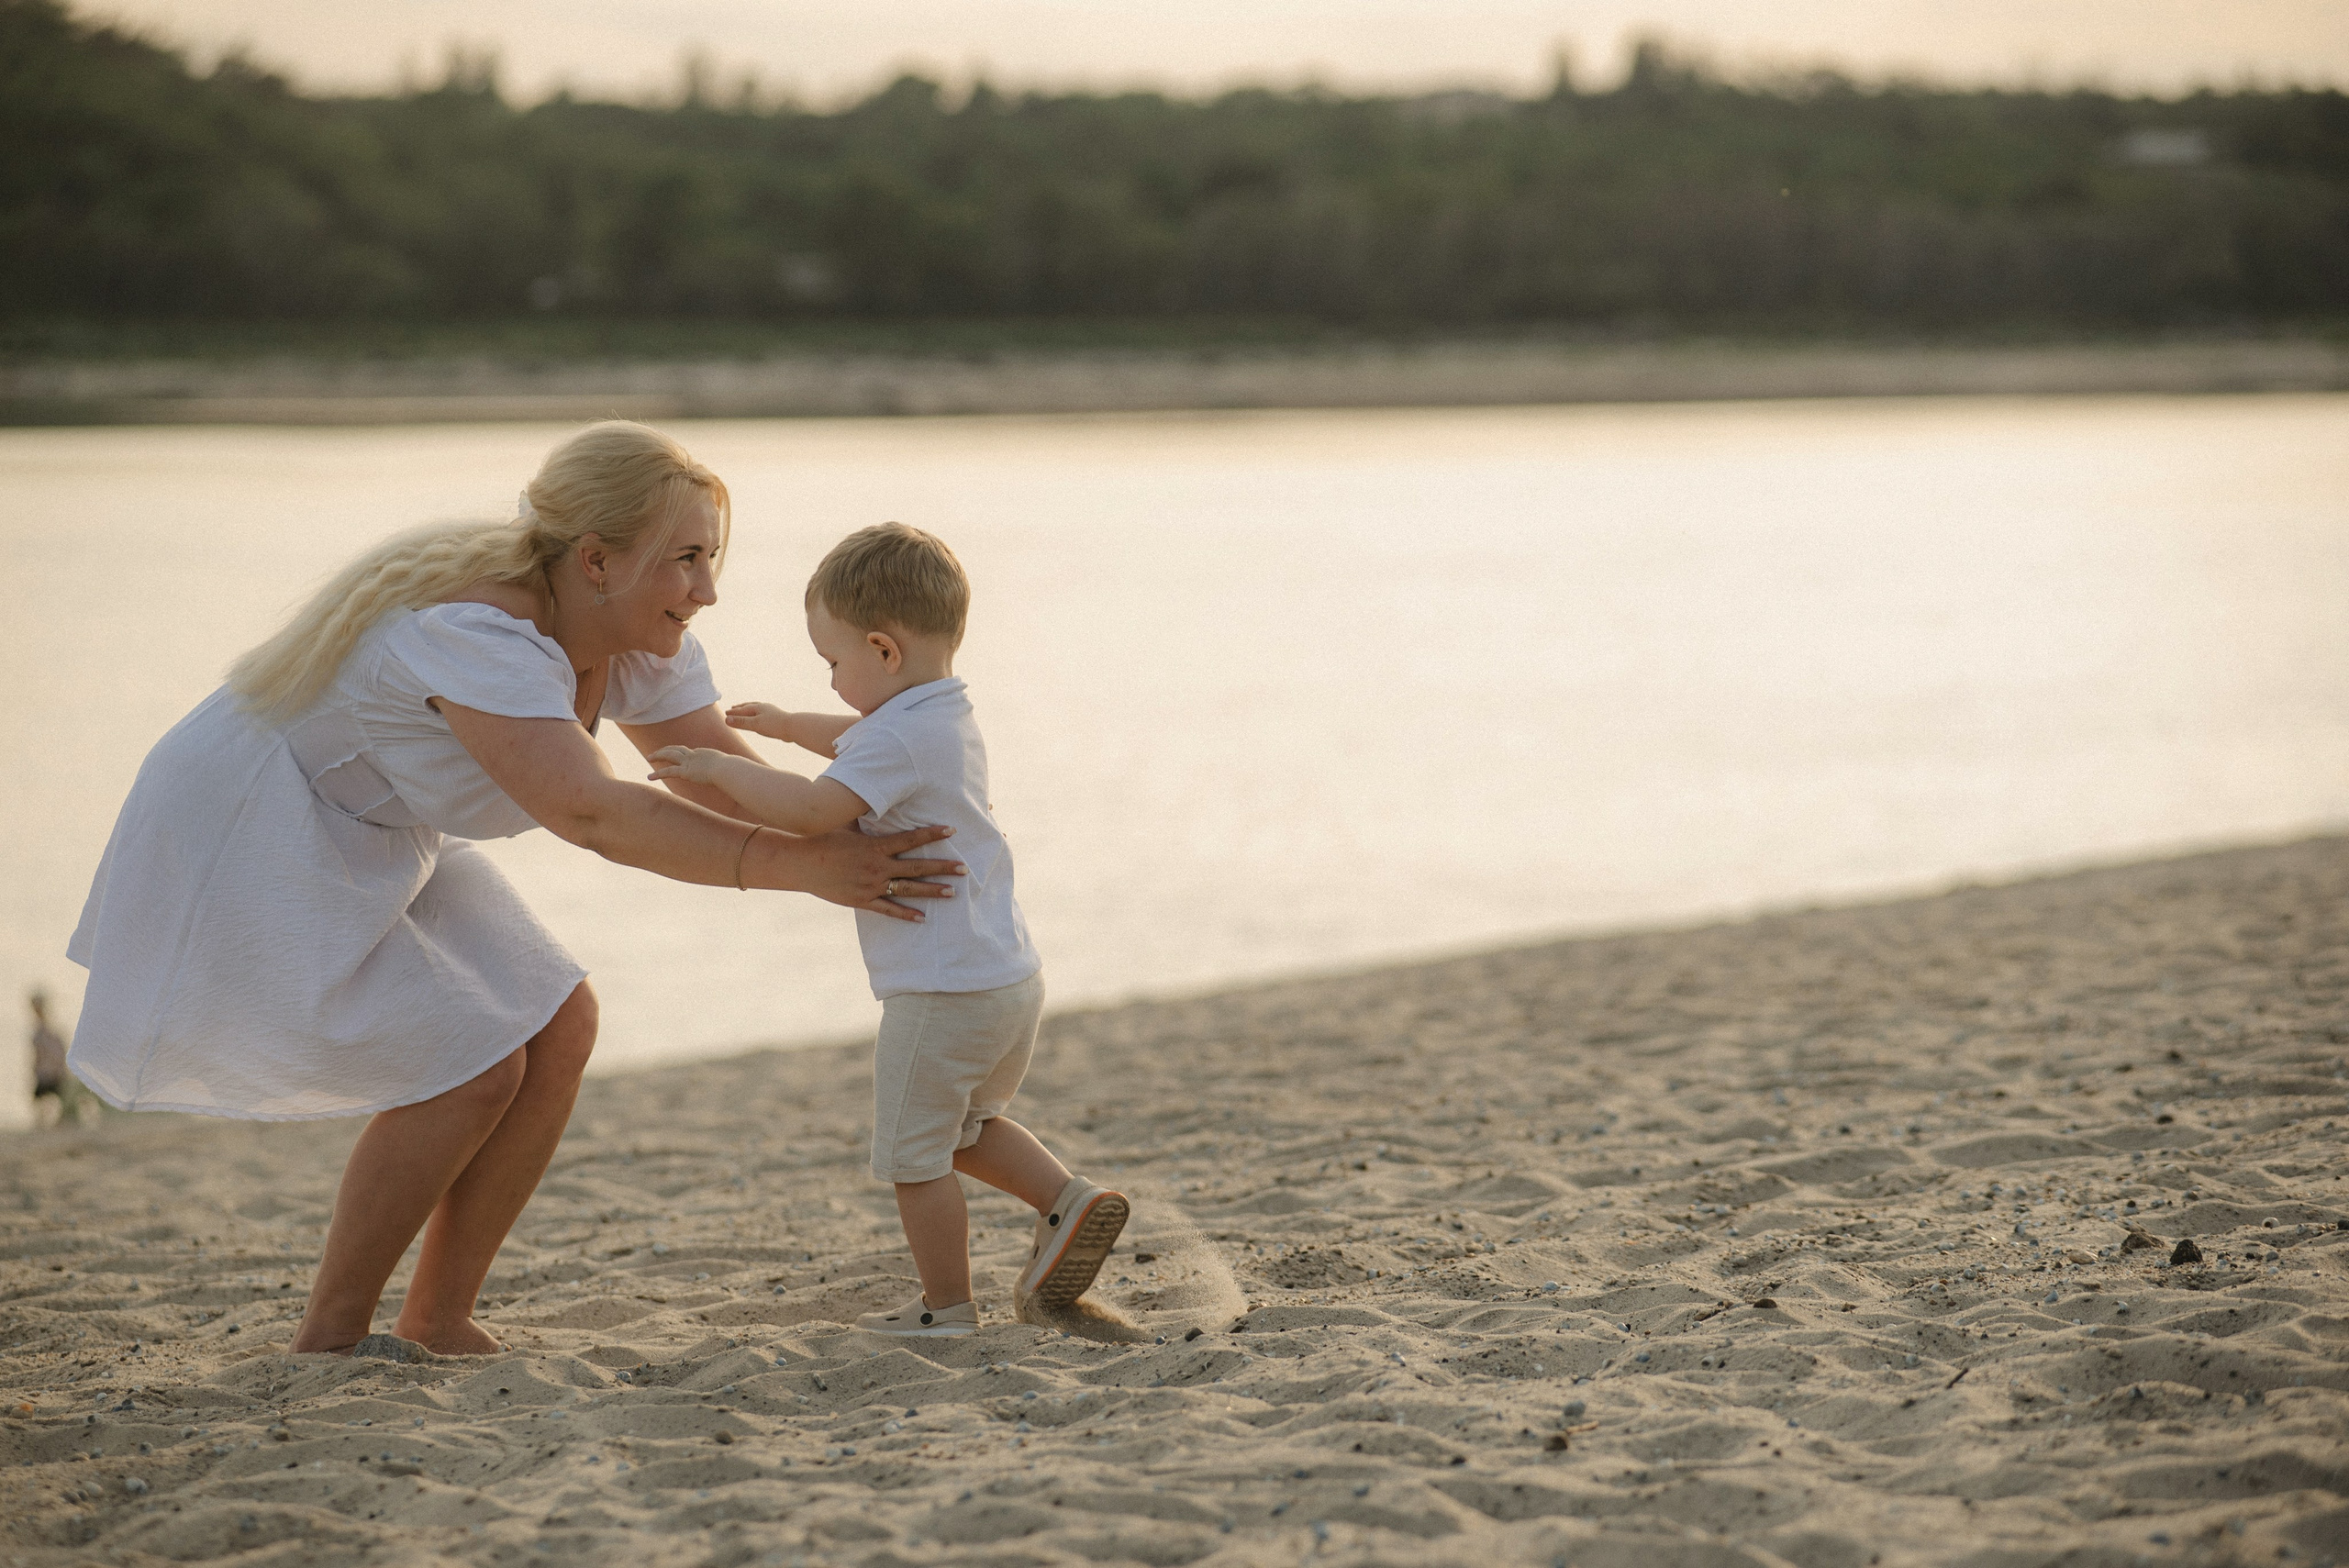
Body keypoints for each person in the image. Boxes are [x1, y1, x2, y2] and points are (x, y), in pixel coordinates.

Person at [68, 422, 965, 1357]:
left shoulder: (638, 638)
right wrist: (811, 872)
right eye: (687, 559)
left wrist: (861, 836)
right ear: (597, 560)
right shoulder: (483, 630)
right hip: (257, 816)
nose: (708, 588)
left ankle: (436, 1316)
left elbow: (705, 774)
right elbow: (593, 812)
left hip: (381, 822)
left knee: (559, 1019)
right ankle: (330, 1332)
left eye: (713, 558)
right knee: (474, 1063)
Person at [649, 523, 1124, 1336]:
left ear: (883, 649)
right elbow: (862, 741)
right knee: (966, 1127)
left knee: (915, 1157)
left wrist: (722, 767)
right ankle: (1066, 1201)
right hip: (1004, 982)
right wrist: (792, 724)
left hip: (937, 992)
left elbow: (813, 810)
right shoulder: (942, 712)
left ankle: (946, 1309)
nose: (830, 681)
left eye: (833, 664)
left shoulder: (898, 734)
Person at [27, 988, 73, 1126]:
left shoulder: (46, 1031)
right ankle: (48, 1121)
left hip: (51, 1073)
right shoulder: (41, 1030)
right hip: (47, 1072)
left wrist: (60, 1070)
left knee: (46, 1099)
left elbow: (52, 1054)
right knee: (42, 1101)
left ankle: (51, 1121)